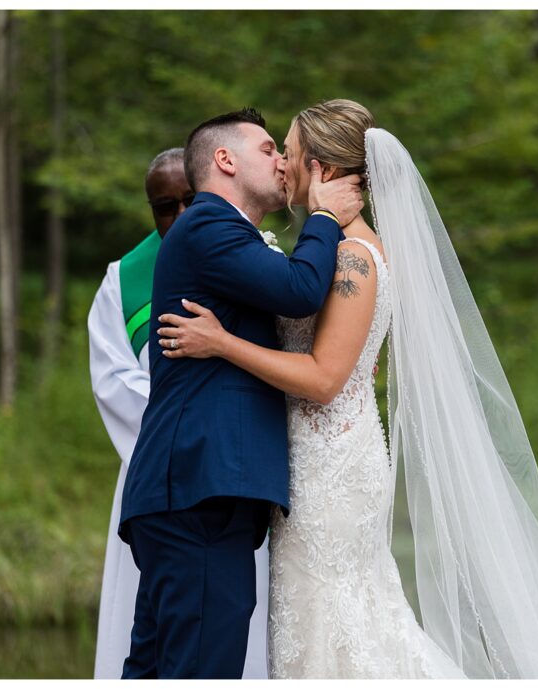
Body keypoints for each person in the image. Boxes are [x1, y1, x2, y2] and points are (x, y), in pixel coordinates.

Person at [156, 99, 538, 678]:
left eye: (288, 153)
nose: (283, 166)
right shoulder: (326, 254)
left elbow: (323, 379)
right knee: (327, 629)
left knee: (342, 631)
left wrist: (223, 343)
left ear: (325, 172)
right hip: (310, 467)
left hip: (330, 473)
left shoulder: (352, 260)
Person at [116, 109, 364, 679]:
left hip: (190, 491)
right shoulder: (206, 224)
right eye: (269, 148)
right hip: (199, 487)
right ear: (225, 161)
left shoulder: (229, 236)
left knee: (160, 669)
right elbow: (301, 291)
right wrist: (325, 218)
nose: (283, 160)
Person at [88, 148, 271, 678]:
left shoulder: (245, 251)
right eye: (164, 207)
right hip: (165, 476)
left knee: (228, 628)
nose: (181, 216)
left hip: (231, 473)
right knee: (156, 638)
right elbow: (114, 384)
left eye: (191, 200)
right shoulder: (123, 278)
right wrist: (193, 412)